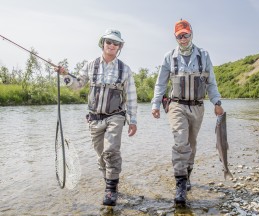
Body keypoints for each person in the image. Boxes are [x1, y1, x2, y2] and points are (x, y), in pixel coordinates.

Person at [56, 29, 138, 206]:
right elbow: (77, 85)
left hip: (115, 116)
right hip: (94, 119)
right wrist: (65, 75)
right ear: (103, 43)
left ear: (120, 47)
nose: (111, 45)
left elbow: (131, 97)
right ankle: (110, 183)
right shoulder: (90, 64)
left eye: (115, 43)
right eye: (108, 41)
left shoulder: (125, 70)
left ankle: (110, 190)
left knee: (111, 151)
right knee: (101, 156)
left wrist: (133, 121)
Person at [151, 19, 224, 205]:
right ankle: (180, 184)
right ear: (175, 37)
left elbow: (211, 83)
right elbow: (160, 83)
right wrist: (155, 105)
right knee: (180, 140)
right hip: (176, 106)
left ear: (191, 33)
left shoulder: (204, 55)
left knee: (191, 143)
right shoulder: (169, 57)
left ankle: (187, 175)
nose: (183, 39)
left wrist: (217, 102)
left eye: (186, 34)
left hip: (198, 106)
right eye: (179, 36)